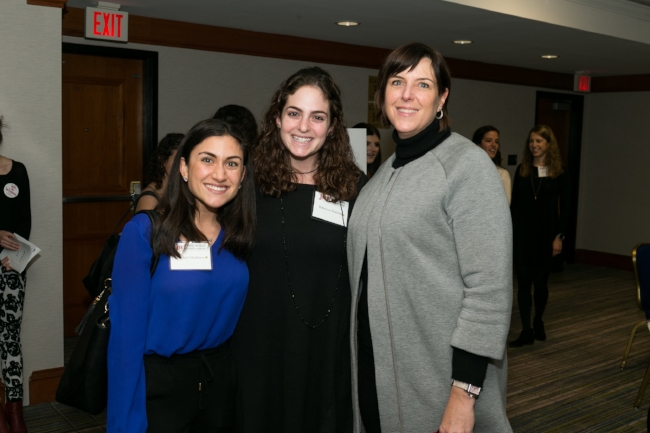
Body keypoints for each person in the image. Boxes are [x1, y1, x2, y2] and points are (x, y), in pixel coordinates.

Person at [347, 43, 513, 433]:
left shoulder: (467, 166)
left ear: (441, 97)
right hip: (376, 374)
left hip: (440, 383)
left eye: (422, 84)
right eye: (397, 82)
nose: (407, 94)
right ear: (381, 95)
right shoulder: (382, 174)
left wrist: (463, 393)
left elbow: (489, 289)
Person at [231, 66, 366, 433]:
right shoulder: (247, 183)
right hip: (260, 346)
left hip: (327, 350)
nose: (303, 127)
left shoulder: (355, 189)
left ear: (334, 126)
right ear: (277, 117)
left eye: (317, 117)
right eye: (294, 113)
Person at [107, 118, 256, 433]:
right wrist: (125, 422)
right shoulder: (145, 232)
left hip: (219, 385)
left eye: (232, 163)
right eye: (207, 160)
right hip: (160, 389)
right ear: (184, 169)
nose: (219, 174)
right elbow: (124, 342)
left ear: (243, 176)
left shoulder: (239, 238)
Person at [509, 124, 569, 347]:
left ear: (548, 144)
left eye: (539, 141)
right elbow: (515, 206)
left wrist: (559, 237)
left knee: (541, 284)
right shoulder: (523, 170)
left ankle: (538, 320)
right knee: (523, 283)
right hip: (523, 235)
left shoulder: (559, 172)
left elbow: (566, 209)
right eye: (532, 141)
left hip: (546, 236)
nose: (534, 145)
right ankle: (526, 330)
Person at [0, 116, 30, 433]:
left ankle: (15, 409)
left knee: (10, 340)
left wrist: (12, 257)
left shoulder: (17, 170)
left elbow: (24, 221)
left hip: (11, 270)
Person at [136, 133, 184, 212]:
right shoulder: (149, 200)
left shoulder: (178, 192)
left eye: (185, 160)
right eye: (177, 160)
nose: (182, 165)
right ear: (162, 160)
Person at [472, 125, 512, 204]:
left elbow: (505, 204)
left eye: (496, 141)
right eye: (488, 140)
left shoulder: (503, 174)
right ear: (478, 144)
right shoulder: (468, 170)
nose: (494, 145)